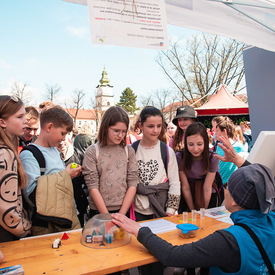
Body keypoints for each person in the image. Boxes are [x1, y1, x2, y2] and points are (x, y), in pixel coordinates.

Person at [112, 163, 275, 274]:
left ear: (234, 200)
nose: (225, 189)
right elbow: (260, 183)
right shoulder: (272, 219)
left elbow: (172, 255)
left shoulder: (229, 241)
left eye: (227, 187)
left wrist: (140, 230)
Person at [132, 106, 181, 275]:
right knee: (141, 258)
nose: (155, 130)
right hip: (138, 211)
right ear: (141, 125)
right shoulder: (132, 150)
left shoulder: (166, 151)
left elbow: (175, 182)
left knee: (159, 259)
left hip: (160, 211)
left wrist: (171, 209)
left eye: (159, 126)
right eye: (150, 126)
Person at [20, 105, 81, 236]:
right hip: (47, 224)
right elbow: (32, 195)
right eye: (63, 133)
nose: (64, 138)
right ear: (49, 127)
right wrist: (66, 175)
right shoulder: (29, 155)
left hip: (64, 218)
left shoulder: (54, 150)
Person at [82, 106, 139, 218]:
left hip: (123, 209)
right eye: (116, 131)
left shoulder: (129, 151)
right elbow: (92, 186)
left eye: (124, 131)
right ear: (105, 128)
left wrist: (121, 215)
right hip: (99, 210)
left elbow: (132, 183)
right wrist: (107, 217)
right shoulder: (93, 151)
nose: (120, 135)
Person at [0, 95, 31, 242]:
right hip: (6, 234)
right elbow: (6, 209)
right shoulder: (4, 154)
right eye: (19, 116)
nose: (25, 120)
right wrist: (26, 228)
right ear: (2, 122)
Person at [176, 122, 220, 212]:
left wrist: (204, 211)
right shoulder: (180, 156)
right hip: (187, 194)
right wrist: (193, 210)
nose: (195, 149)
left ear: (205, 142)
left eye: (199, 144)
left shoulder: (212, 157)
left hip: (208, 194)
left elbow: (207, 187)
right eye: (191, 144)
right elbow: (185, 187)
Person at [57, 135, 89, 227]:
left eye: (64, 140)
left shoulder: (78, 154)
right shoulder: (53, 157)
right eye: (59, 141)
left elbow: (87, 176)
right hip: (60, 204)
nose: (61, 143)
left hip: (78, 200)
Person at [215, 118, 247, 184]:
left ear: (224, 131)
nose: (215, 133)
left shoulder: (239, 147)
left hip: (233, 183)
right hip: (220, 182)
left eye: (217, 131)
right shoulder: (218, 146)